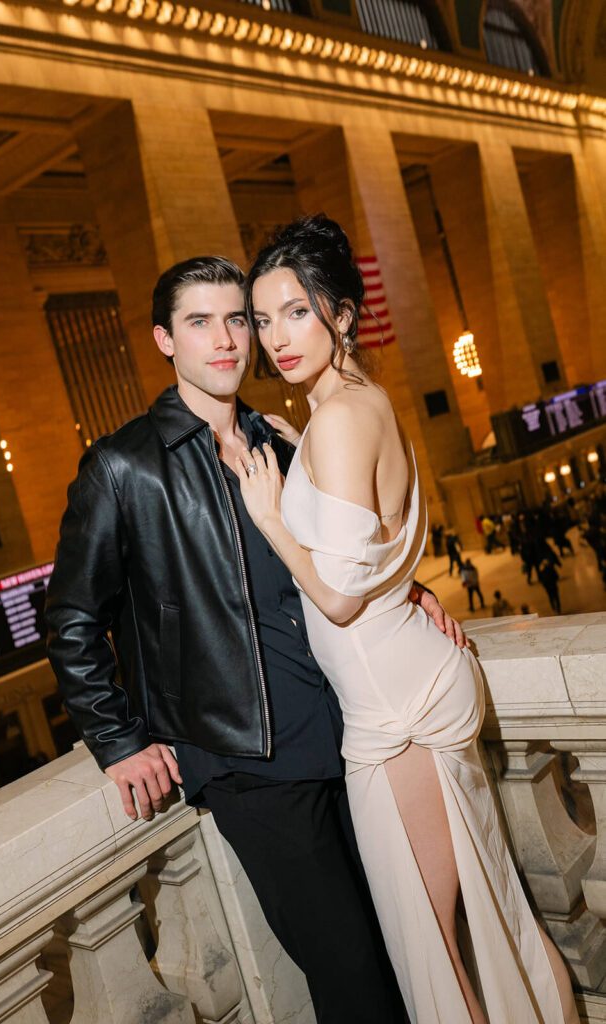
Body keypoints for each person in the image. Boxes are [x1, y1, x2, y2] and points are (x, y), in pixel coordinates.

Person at [45, 254, 463, 1024]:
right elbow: (70, 617)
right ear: (164, 340)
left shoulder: (278, 442)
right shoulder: (121, 467)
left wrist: (407, 591)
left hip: (348, 734)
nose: (228, 339)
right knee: (354, 978)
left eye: (238, 319)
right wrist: (115, 736)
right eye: (200, 322)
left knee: (409, 951)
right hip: (246, 762)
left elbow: (335, 560)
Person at [237, 215, 577, 1024]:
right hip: (400, 687)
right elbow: (370, 548)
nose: (275, 337)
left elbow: (342, 597)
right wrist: (303, 452)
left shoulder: (346, 418)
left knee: (435, 935)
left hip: (395, 711)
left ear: (341, 315)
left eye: (295, 311)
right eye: (261, 318)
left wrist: (273, 517)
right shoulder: (345, 409)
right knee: (477, 914)